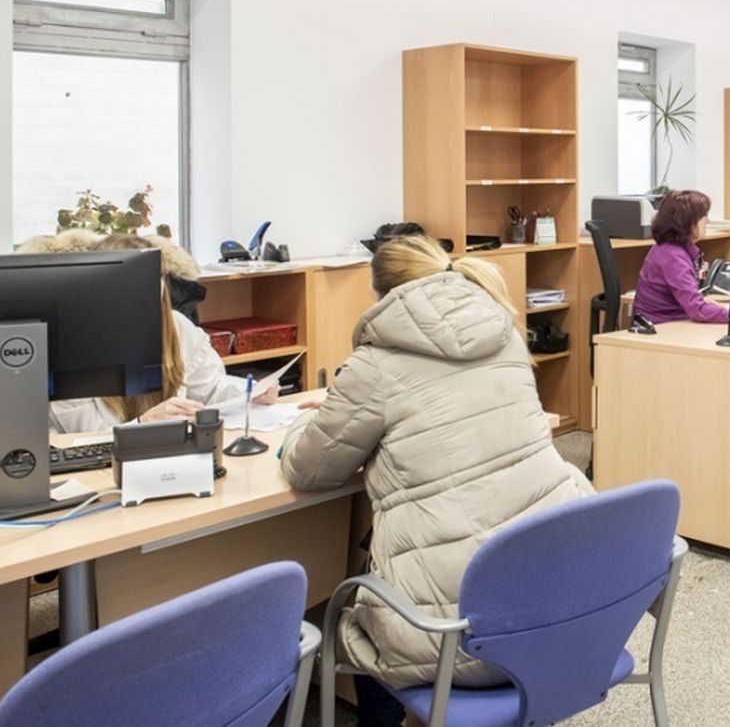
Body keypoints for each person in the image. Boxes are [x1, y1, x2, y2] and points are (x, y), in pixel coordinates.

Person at [279, 234, 593, 726]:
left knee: (358, 612)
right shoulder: (506, 333)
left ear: (381, 294)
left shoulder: (375, 365)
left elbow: (308, 468)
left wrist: (303, 420)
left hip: (454, 636)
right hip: (554, 600)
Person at [26, 232, 275, 433]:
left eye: (153, 276)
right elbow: (84, 437)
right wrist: (143, 424)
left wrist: (251, 391)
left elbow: (209, 388)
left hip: (172, 453)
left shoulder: (177, 326)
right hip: (97, 468)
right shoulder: (69, 347)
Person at [631, 189, 730, 325]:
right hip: (663, 327)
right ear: (687, 222)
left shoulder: (669, 249)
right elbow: (697, 310)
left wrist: (701, 300)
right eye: (703, 216)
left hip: (669, 322)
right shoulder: (673, 258)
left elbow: (688, 301)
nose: (707, 221)